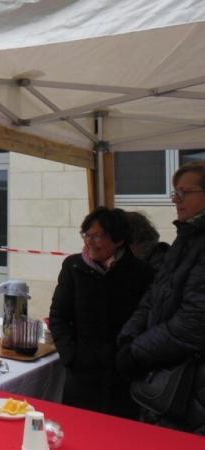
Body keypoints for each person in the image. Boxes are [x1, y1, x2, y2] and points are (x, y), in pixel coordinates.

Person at [117, 162, 205, 434]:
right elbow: (154, 296)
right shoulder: (185, 238)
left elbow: (194, 322)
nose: (175, 200)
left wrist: (137, 351)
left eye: (183, 192)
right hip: (165, 369)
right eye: (174, 193)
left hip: (193, 381)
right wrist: (129, 336)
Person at [49, 207, 155, 418]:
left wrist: (131, 358)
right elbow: (58, 317)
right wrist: (71, 356)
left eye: (97, 236)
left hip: (123, 376)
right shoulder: (73, 267)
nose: (89, 242)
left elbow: (147, 320)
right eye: (86, 235)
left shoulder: (141, 273)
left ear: (118, 240)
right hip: (82, 376)